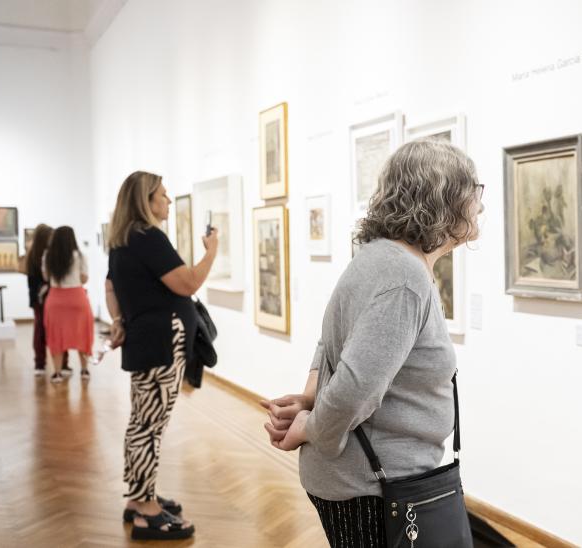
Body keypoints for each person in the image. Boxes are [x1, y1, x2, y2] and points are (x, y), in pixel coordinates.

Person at [262, 139, 483, 546]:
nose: (479, 204)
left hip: (364, 481)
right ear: (442, 200)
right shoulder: (404, 278)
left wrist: (310, 398)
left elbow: (331, 345)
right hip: (372, 487)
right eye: (472, 193)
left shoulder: (377, 258)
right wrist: (308, 426)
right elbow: (353, 388)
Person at [105, 171, 218, 541]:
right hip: (161, 345)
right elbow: (187, 283)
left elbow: (110, 286)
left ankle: (141, 497)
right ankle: (146, 510)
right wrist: (211, 252)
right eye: (163, 195)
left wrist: (119, 320)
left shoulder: (122, 240)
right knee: (149, 427)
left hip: (145, 341)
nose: (168, 201)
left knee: (142, 422)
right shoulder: (148, 237)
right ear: (146, 200)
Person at [42, 226, 93, 383]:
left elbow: (46, 277)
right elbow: (84, 279)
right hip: (77, 298)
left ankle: (57, 373)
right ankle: (84, 370)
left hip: (56, 299)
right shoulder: (80, 256)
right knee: (82, 333)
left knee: (56, 336)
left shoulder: (47, 256)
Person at [24, 224, 69, 376]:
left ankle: (62, 363)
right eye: (49, 237)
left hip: (53, 298)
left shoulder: (49, 254)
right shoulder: (34, 256)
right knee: (40, 331)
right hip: (40, 300)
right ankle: (40, 363)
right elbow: (34, 281)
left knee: (58, 330)